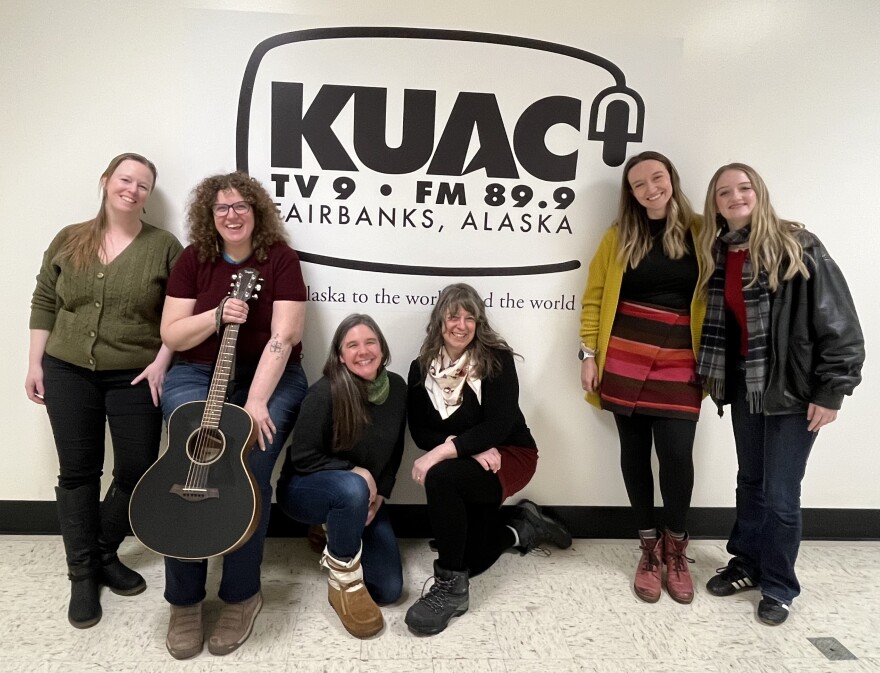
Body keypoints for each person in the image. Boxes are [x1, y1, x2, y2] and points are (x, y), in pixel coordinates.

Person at [696, 163, 863, 625]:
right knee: (750, 483)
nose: (735, 197)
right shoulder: (718, 252)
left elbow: (841, 325)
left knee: (781, 493)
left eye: (744, 188)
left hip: (794, 392)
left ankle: (779, 585)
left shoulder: (798, 246)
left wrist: (833, 391)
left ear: (760, 193)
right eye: (724, 192)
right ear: (715, 203)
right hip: (747, 387)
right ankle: (747, 564)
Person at [26, 153, 182, 629]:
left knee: (137, 468)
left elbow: (177, 313)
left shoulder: (165, 247)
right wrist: (34, 361)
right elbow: (45, 299)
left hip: (134, 373)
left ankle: (100, 552)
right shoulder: (70, 238)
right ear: (106, 182)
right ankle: (83, 576)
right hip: (67, 369)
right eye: (125, 179)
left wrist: (161, 362)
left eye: (143, 185)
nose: (132, 190)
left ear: (148, 196)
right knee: (79, 471)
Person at [158, 172, 308, 658]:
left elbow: (282, 339)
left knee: (249, 471)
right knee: (188, 464)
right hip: (198, 373)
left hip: (270, 376)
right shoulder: (192, 259)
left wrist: (256, 401)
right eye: (222, 208)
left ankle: (242, 595)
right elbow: (173, 335)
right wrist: (218, 313)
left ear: (257, 210)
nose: (232, 214)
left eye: (241, 205)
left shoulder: (280, 259)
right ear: (210, 215)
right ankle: (184, 600)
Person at [405, 283, 571, 635]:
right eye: (453, 316)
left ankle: (451, 591)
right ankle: (523, 527)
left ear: (479, 323)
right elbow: (421, 433)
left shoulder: (496, 360)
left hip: (511, 454)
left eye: (470, 317)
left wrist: (447, 450)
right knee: (472, 560)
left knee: (440, 476)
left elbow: (500, 424)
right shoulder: (419, 369)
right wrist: (467, 446)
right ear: (439, 320)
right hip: (476, 457)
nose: (461, 325)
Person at [579, 151, 705, 604]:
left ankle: (676, 548)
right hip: (626, 353)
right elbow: (594, 298)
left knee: (676, 455)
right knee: (634, 453)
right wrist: (589, 354)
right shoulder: (618, 237)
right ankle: (649, 548)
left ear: (672, 177)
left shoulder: (702, 231)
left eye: (658, 178)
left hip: (680, 355)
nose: (651, 188)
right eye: (639, 184)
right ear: (630, 194)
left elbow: (748, 237)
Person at [277, 314, 406, 639]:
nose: (363, 351)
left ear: (382, 347)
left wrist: (380, 495)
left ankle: (331, 529)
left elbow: (395, 450)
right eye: (352, 345)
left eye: (370, 342)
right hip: (304, 489)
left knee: (388, 590)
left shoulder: (399, 388)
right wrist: (357, 473)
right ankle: (342, 582)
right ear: (340, 354)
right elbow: (303, 457)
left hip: (362, 496)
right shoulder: (325, 392)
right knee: (351, 488)